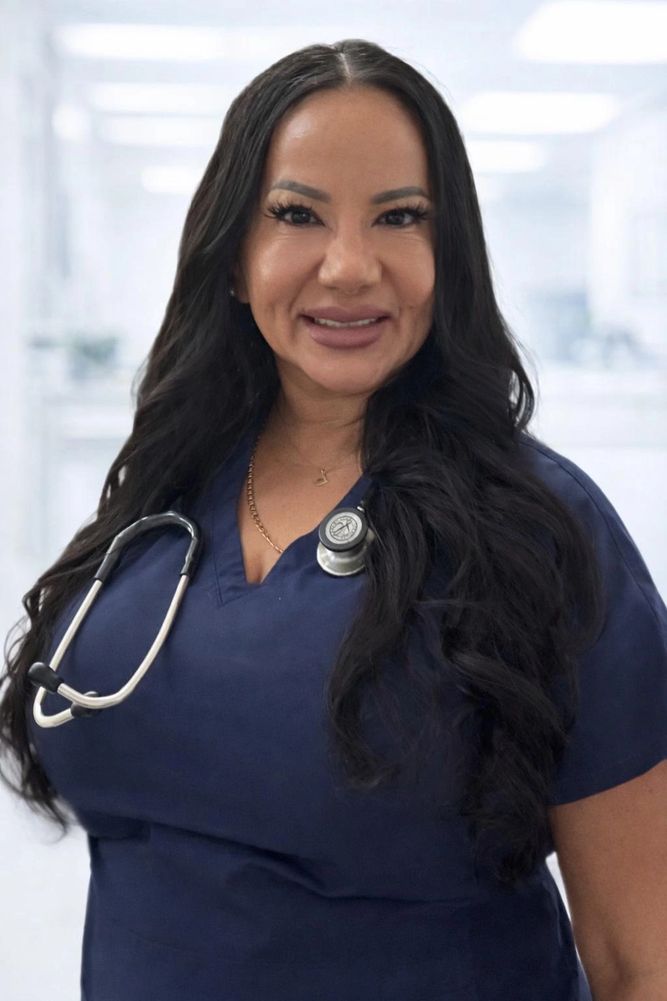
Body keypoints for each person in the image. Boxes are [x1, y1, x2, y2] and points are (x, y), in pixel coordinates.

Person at [1, 38, 666, 1001]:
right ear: (234, 257)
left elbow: (641, 958)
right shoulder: (165, 501)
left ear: (450, 257)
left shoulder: (542, 533)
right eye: (295, 214)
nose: (349, 266)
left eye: (399, 217)